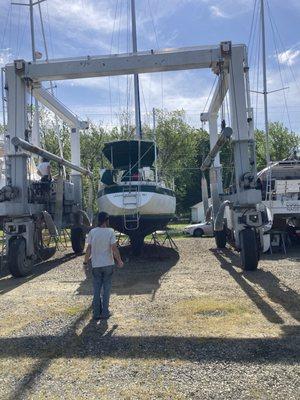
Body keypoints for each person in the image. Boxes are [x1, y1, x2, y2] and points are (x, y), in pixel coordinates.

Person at [83, 212, 124, 321]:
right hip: (108, 264)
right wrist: (119, 260)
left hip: (96, 265)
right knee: (106, 289)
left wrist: (85, 263)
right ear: (106, 220)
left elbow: (88, 249)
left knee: (96, 289)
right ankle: (105, 312)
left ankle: (96, 313)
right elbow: (114, 249)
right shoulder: (110, 232)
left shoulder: (92, 232)